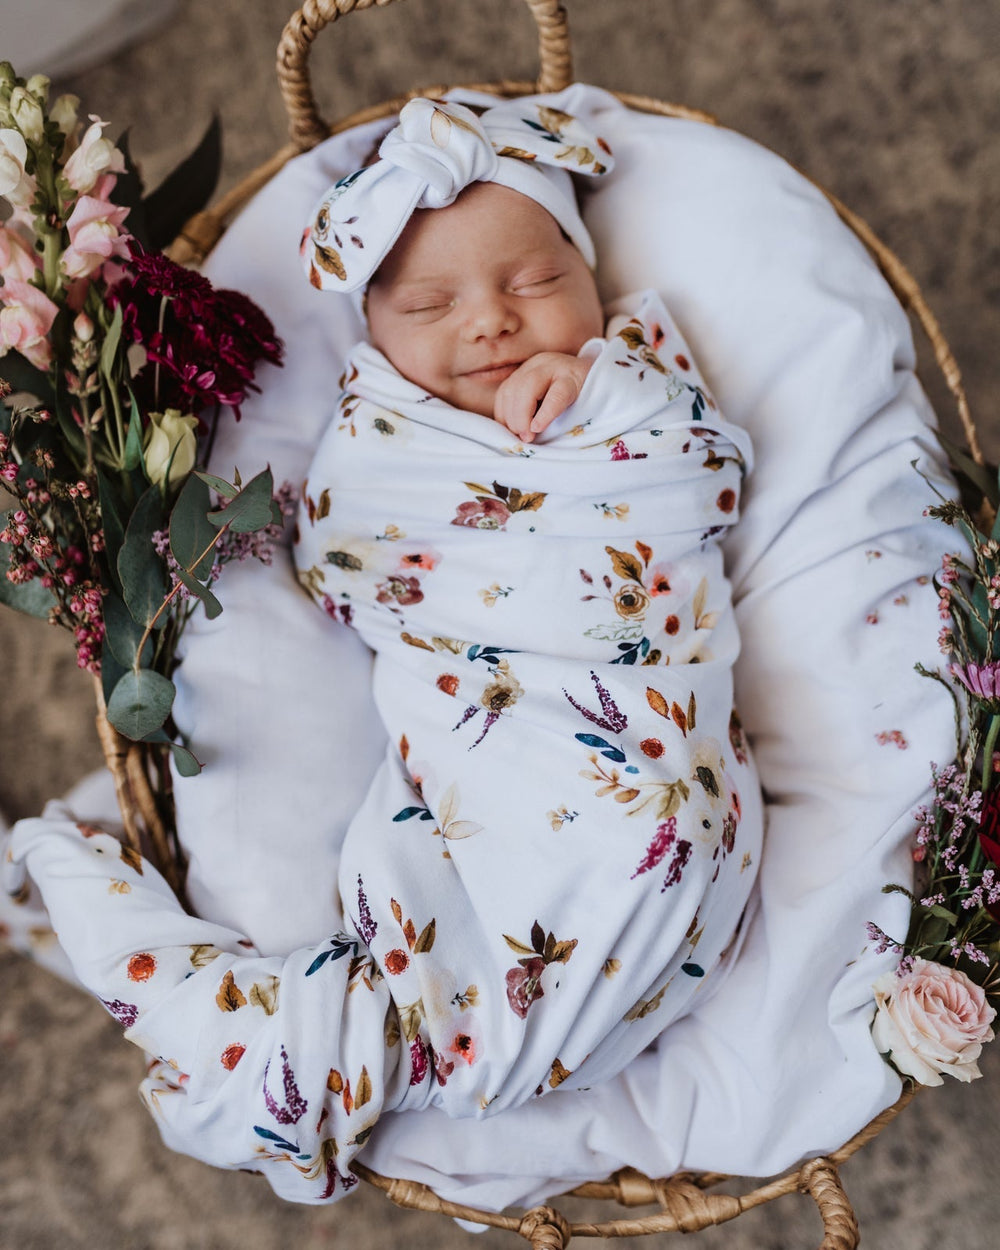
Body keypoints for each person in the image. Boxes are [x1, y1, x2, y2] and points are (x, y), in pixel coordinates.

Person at [294, 96, 763, 1115]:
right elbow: (339, 559)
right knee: (430, 869)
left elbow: (709, 483)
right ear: (373, 335)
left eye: (536, 282)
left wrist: (598, 399)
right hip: (480, 731)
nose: (490, 319)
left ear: (590, 278)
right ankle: (462, 1034)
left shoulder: (629, 375)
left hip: (642, 714)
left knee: (672, 825)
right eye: (428, 307)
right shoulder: (379, 434)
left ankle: (487, 1041)